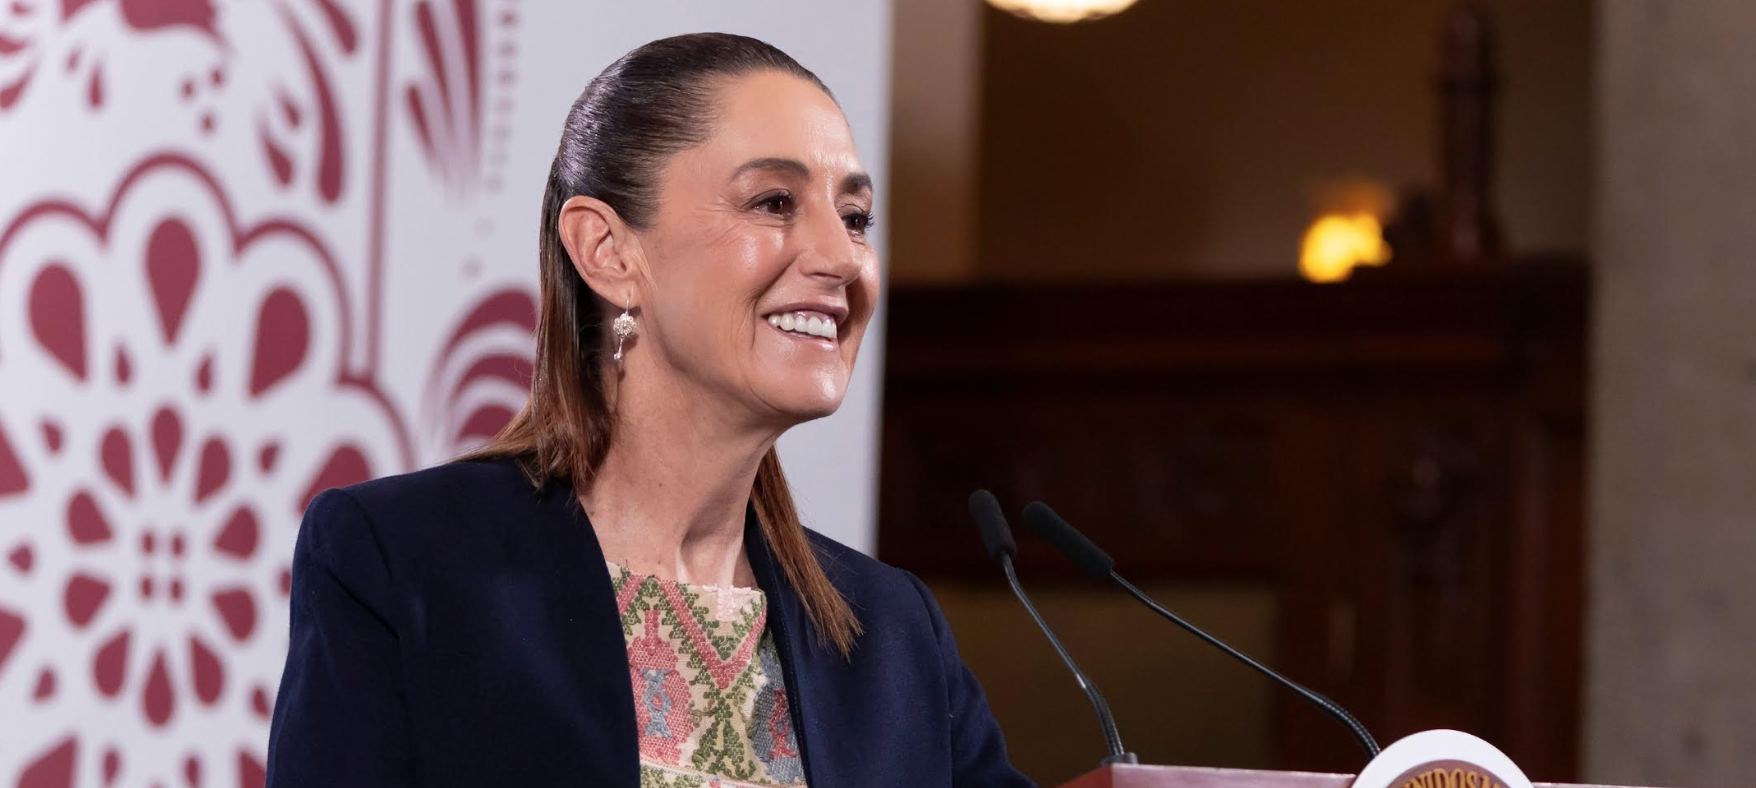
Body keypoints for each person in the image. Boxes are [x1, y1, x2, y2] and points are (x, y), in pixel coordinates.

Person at [264, 32, 1034, 788]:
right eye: (773, 202)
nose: (841, 258)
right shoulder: (404, 563)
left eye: (856, 217)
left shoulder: (894, 634)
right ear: (606, 251)